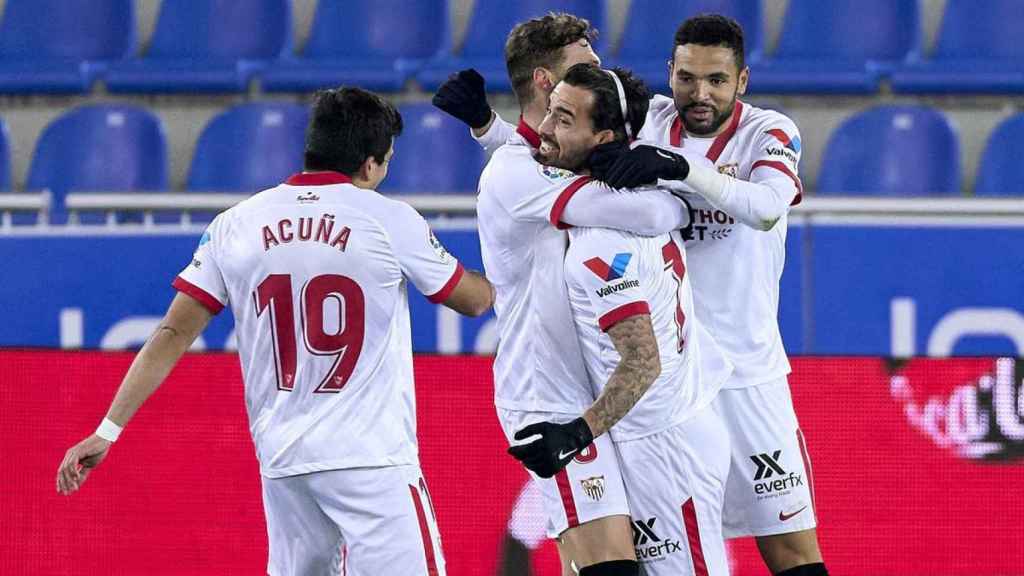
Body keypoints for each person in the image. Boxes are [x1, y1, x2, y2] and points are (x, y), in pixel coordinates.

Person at [439, 13, 828, 576]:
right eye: (688, 77)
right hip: (656, 389)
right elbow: (561, 150)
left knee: (792, 553)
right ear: (669, 72)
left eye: (717, 80)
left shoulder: (769, 132)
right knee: (643, 559)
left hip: (745, 374)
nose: (701, 93)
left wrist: (679, 169)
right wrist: (489, 128)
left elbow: (767, 209)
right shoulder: (647, 120)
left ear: (741, 81)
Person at [55, 87, 495, 576]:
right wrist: (509, 270)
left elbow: (171, 333)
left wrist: (106, 430)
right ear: (370, 164)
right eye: (386, 161)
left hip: (285, 466)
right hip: (372, 459)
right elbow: (473, 301)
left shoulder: (236, 224)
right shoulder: (388, 219)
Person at [435, 13, 698, 576]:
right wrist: (679, 189)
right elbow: (652, 212)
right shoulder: (518, 175)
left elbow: (541, 150)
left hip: (589, 394)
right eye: (585, 70)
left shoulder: (537, 156)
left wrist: (487, 126)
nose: (600, 81)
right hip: (547, 395)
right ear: (546, 84)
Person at [508, 62, 734, 576]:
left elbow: (642, 360)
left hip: (666, 448)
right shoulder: (646, 197)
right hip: (658, 431)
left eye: (563, 120)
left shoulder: (602, 243)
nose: (543, 129)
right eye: (549, 111)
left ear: (603, 136)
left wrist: (575, 434)